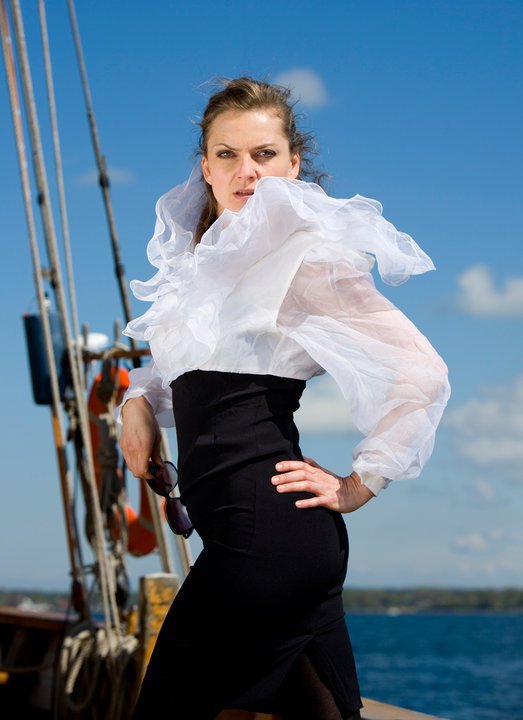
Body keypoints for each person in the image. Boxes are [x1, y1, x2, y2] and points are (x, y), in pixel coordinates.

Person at [118, 77, 450, 720]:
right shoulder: (203, 267)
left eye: (264, 154)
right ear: (206, 167)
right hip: (274, 542)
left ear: (293, 164)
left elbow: (420, 373)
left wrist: (361, 482)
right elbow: (181, 365)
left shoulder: (305, 258)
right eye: (227, 155)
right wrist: (135, 406)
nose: (246, 172)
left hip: (264, 541)